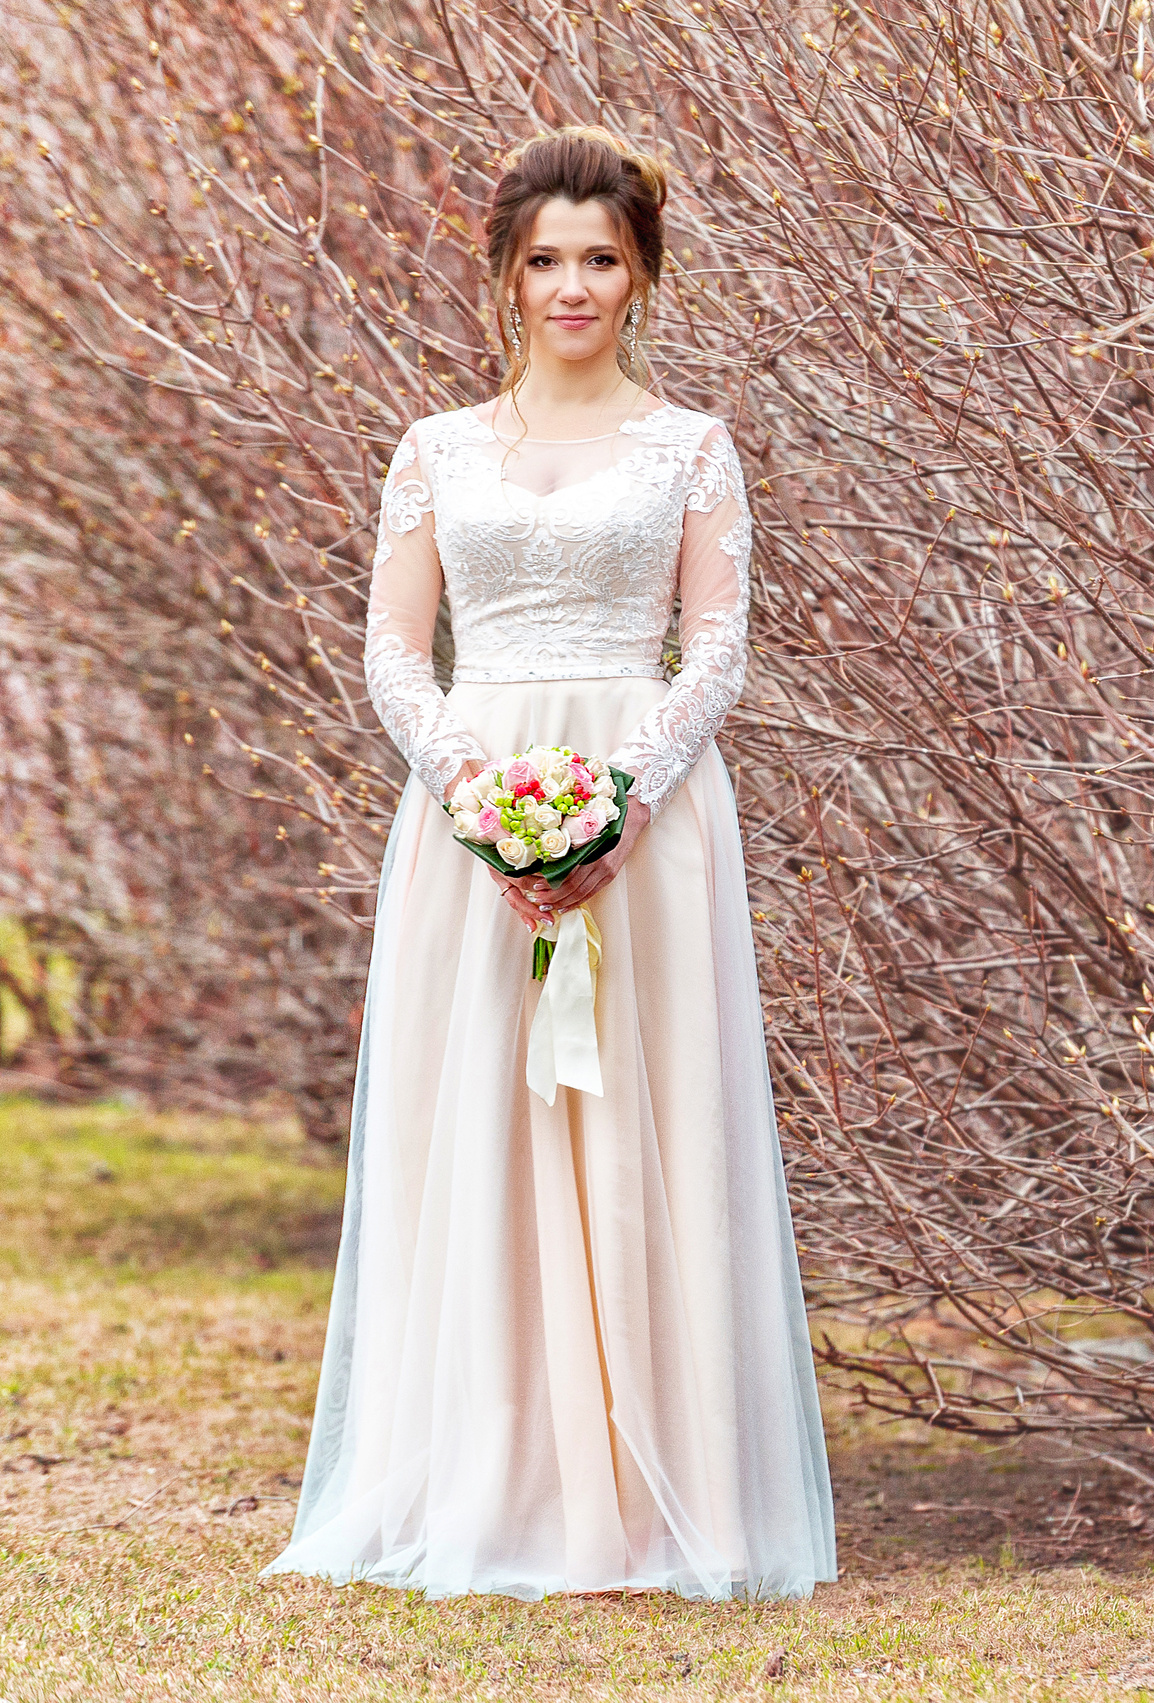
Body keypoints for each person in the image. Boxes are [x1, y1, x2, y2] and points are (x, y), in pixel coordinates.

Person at [265, 127, 837, 1601]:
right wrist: (473, 787)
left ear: (641, 269)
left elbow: (716, 645)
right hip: (472, 808)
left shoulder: (692, 447)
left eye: (600, 257)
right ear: (506, 277)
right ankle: (493, 1478)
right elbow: (395, 647)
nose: (571, 285)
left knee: (641, 1122)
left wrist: (624, 802)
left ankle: (651, 1502)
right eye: (545, 261)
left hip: (645, 810)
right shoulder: (438, 449)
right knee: (483, 1127)